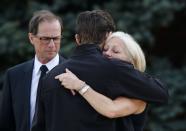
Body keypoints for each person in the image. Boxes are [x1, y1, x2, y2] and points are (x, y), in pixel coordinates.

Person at [32, 10, 168, 131]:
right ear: (107, 36)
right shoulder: (114, 69)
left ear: (77, 39)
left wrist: (81, 86)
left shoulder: (50, 77)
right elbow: (161, 94)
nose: (109, 53)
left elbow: (39, 127)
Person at [55, 31, 150, 131]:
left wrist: (79, 85)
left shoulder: (138, 95)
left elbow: (111, 110)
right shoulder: (102, 83)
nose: (108, 53)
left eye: (116, 51)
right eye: (105, 49)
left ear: (132, 61)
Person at [0, 10, 66, 131]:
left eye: (56, 38)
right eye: (45, 38)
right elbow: (6, 122)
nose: (52, 44)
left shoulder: (72, 72)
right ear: (31, 38)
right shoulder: (14, 75)